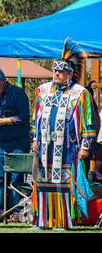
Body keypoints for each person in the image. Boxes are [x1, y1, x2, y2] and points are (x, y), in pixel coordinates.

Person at [31, 39, 97, 230]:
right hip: (45, 149)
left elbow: (88, 122)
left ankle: (64, 220)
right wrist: (35, 140)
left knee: (64, 183)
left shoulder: (79, 93)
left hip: (67, 148)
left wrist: (85, 146)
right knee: (43, 181)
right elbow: (36, 119)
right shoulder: (42, 91)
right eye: (55, 71)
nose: (57, 74)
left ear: (69, 73)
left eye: (61, 72)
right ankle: (42, 220)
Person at [0, 68, 30, 222]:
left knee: (16, 179)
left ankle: (15, 212)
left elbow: (24, 117)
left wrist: (3, 121)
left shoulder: (18, 93)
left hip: (18, 142)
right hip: (2, 143)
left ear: (1, 81)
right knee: (1, 178)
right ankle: (3, 212)